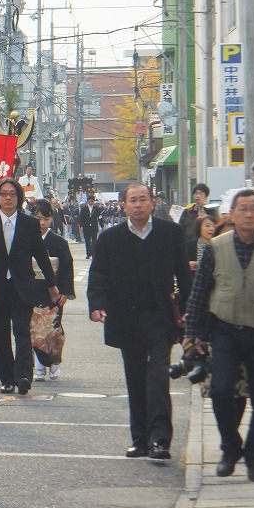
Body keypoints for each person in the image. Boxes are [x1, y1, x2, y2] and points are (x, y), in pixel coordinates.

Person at [88, 183, 191, 460]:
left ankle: (160, 439)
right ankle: (140, 439)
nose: (138, 205)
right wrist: (97, 304)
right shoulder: (110, 238)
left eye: (142, 199)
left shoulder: (170, 233)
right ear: (123, 205)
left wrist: (188, 311)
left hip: (160, 316)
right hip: (126, 317)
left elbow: (184, 274)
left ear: (152, 203)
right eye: (132, 200)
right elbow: (98, 275)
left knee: (158, 376)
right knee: (135, 378)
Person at [183, 188, 254, 481]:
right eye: (243, 209)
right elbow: (199, 294)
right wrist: (191, 337)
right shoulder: (217, 247)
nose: (249, 214)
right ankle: (230, 447)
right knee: (220, 391)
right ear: (231, 214)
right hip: (224, 330)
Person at [0, 178, 59, 396]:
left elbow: (41, 256)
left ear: (19, 198)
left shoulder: (29, 224)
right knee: (2, 335)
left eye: (12, 194)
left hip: (22, 286)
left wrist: (52, 284)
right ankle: (6, 378)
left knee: (22, 332)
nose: (8, 198)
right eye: (4, 194)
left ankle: (24, 375)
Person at [31, 199, 75, 381]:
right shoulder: (27, 240)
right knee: (35, 331)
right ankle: (40, 367)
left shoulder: (58, 242)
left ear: (51, 219)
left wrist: (64, 291)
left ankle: (54, 364)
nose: (41, 223)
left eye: (45, 219)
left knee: (53, 330)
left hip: (54, 292)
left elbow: (66, 268)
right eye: (38, 218)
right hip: (34, 290)